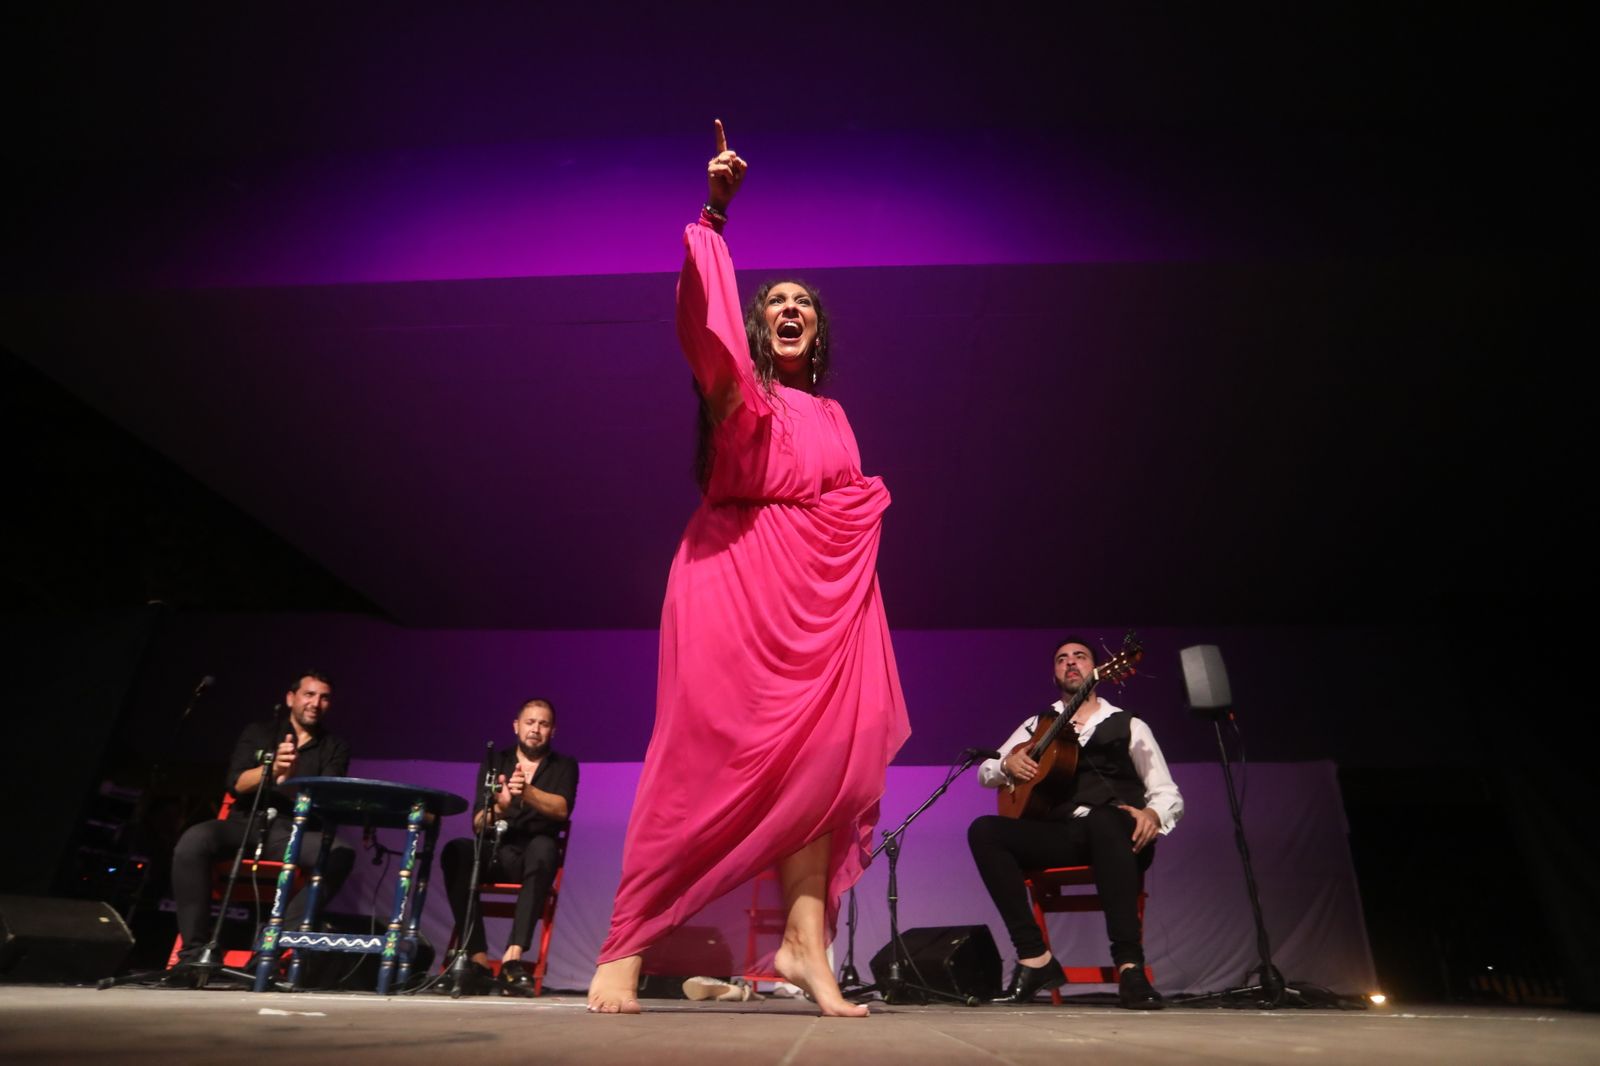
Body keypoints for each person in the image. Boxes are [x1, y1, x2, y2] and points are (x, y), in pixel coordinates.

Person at [587, 120, 911, 1016]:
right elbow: (708, 332)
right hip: (734, 583)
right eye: (776, 302)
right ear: (761, 327)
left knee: (823, 769)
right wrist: (714, 219)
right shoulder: (741, 394)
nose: (791, 308)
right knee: (696, 763)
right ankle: (628, 941)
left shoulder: (834, 414)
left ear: (819, 330)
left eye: (804, 301)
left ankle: (807, 947)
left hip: (822, 602)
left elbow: (845, 506)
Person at [967, 638, 1183, 1009]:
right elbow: (986, 772)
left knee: (1104, 820)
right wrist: (1007, 765)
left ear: (1098, 670)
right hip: (1063, 834)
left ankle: (1130, 967)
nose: (1071, 663)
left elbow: (1167, 793)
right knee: (984, 830)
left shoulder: (1129, 724)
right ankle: (1034, 958)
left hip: (1118, 836)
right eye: (1061, 659)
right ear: (1054, 674)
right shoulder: (1038, 724)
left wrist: (1152, 815)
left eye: (1080, 656)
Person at [169, 671, 354, 973]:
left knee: (340, 853)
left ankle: (270, 947)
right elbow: (236, 784)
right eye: (309, 695)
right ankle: (193, 954)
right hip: (245, 823)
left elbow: (327, 799)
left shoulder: (334, 746)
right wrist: (272, 770)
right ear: (291, 698)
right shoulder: (259, 733)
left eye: (324, 698)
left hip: (292, 831)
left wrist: (291, 778)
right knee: (193, 841)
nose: (315, 703)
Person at [439, 698, 578, 996]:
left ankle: (512, 960)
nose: (535, 729)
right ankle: (477, 960)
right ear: (516, 726)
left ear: (553, 731)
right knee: (457, 852)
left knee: (544, 849)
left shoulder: (564, 765)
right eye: (530, 722)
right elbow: (478, 822)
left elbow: (562, 809)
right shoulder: (495, 762)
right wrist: (500, 809)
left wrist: (527, 792)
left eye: (543, 724)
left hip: (534, 855)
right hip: (495, 851)